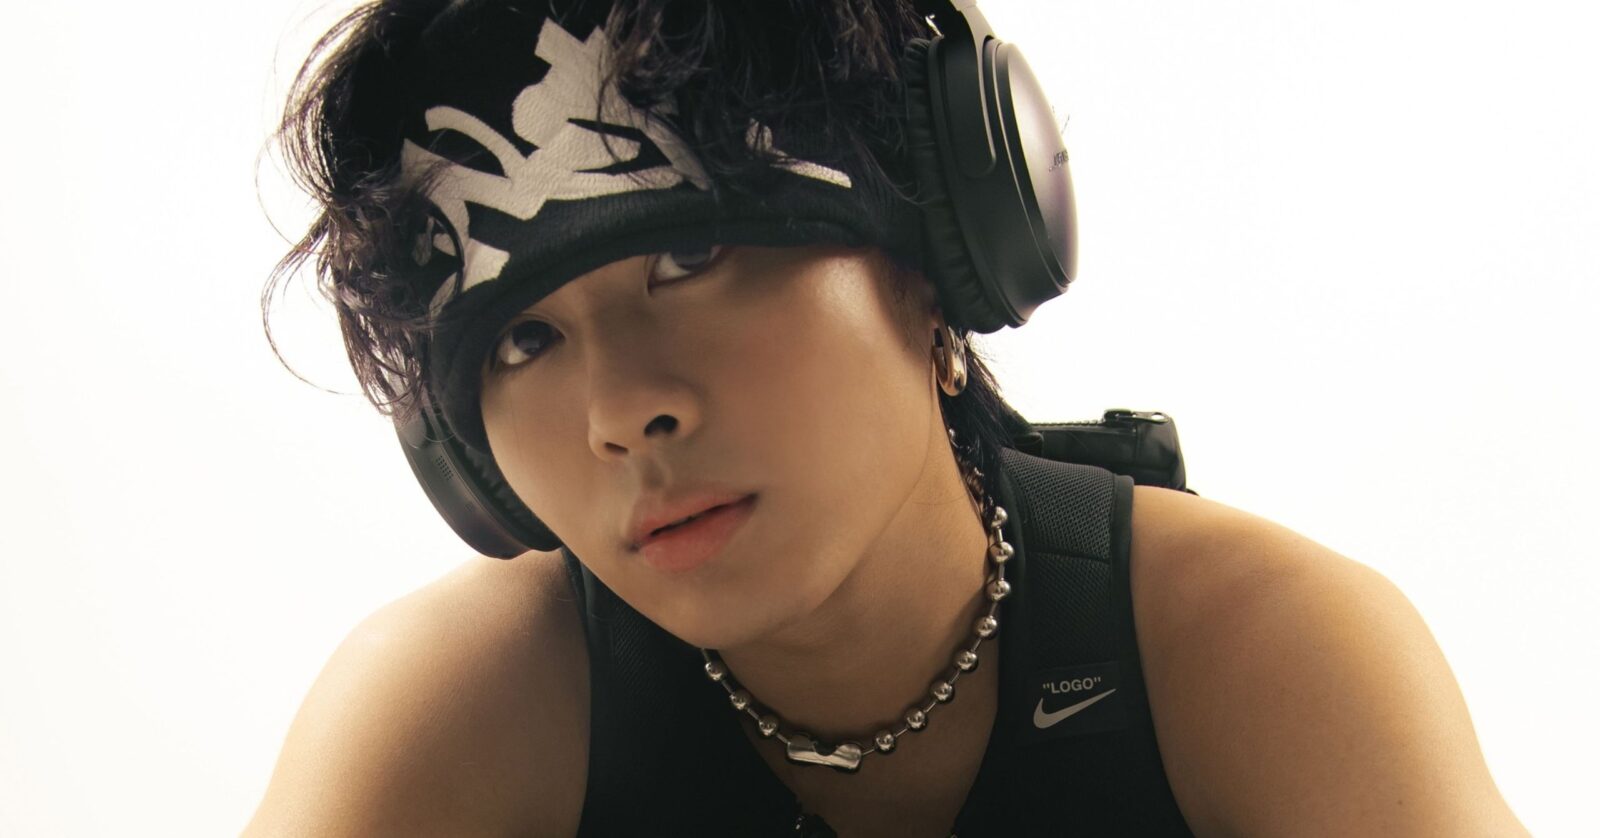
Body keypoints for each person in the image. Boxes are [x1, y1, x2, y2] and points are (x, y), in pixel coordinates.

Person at [246, 1, 1528, 835]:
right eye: (524, 339)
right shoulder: (458, 709)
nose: (623, 411)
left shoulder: (1260, 653)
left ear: (937, 258)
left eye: (690, 259)